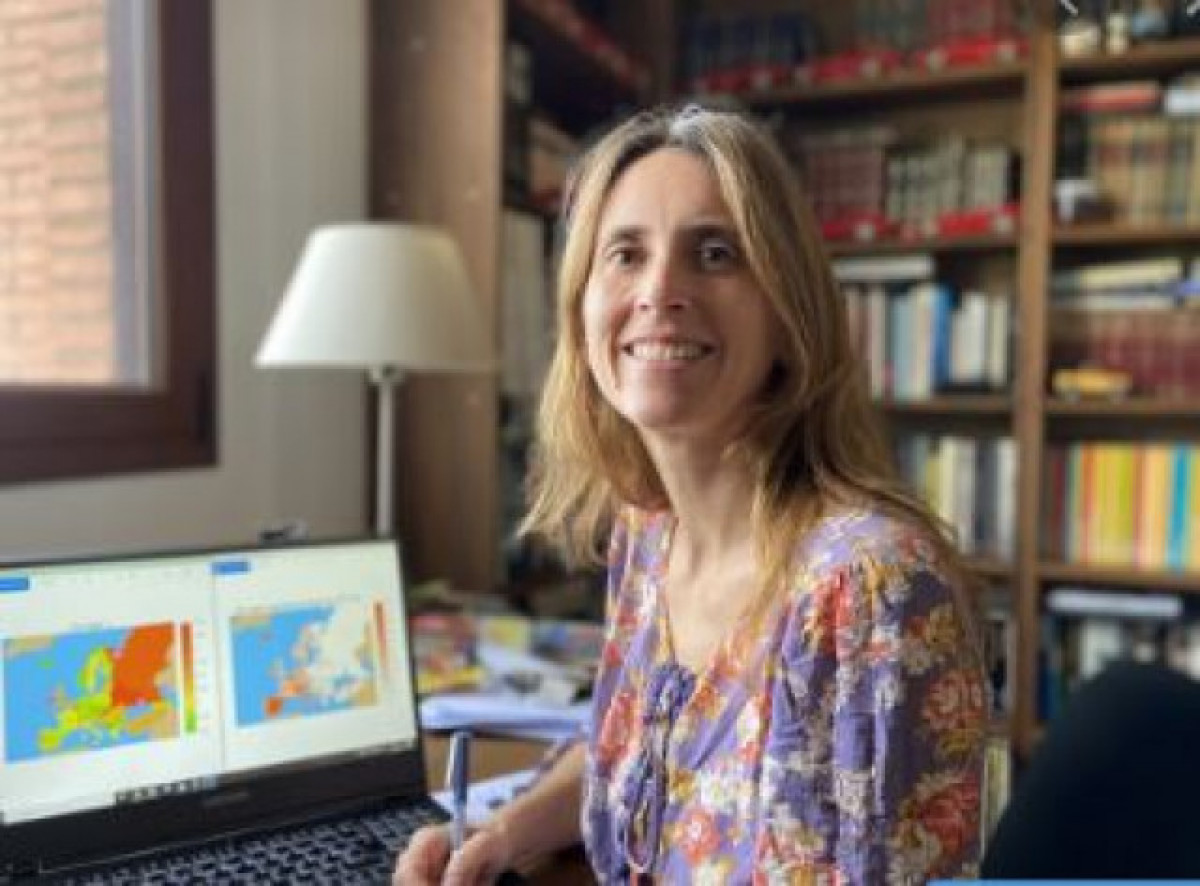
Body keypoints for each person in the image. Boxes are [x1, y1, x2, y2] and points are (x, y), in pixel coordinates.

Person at [394, 104, 985, 885]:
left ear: (787, 313)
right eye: (625, 254)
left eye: (714, 253)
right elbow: (635, 751)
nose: (661, 290)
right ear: (581, 313)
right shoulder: (649, 534)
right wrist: (501, 835)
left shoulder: (872, 591)